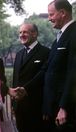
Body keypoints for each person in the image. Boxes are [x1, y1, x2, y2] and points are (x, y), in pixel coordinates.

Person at [43, 0, 76, 131]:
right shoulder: (59, 37)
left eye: (51, 14)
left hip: (67, 110)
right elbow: (48, 69)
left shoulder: (74, 34)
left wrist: (64, 107)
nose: (49, 19)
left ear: (62, 13)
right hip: (55, 107)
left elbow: (73, 73)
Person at [11, 23, 50, 132]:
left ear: (34, 34)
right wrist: (14, 104)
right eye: (20, 32)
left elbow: (45, 79)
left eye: (25, 32)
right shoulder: (19, 54)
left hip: (37, 107)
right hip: (20, 107)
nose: (21, 35)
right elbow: (16, 79)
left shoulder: (46, 52)